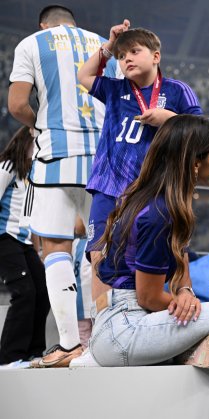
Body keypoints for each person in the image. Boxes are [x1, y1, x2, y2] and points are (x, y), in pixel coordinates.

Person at [90, 114, 209, 419]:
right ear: (194, 162)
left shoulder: (160, 200)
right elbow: (148, 298)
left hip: (119, 321)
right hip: (125, 328)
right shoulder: (159, 214)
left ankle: (190, 347)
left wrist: (186, 291)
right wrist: (190, 305)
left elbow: (180, 256)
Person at [8, 5, 118, 367]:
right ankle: (110, 340)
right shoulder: (104, 44)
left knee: (55, 247)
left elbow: (18, 103)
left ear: (44, 24)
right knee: (102, 249)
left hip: (56, 155)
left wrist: (40, 125)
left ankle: (69, 343)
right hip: (103, 160)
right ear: (73, 23)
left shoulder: (31, 43)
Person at [77, 21, 202, 306]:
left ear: (156, 56)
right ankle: (103, 327)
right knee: (100, 254)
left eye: (134, 51)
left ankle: (181, 308)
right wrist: (108, 47)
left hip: (155, 188)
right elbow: (83, 75)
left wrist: (168, 118)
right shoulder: (114, 89)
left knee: (173, 247)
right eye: (122, 57)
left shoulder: (178, 90)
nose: (126, 59)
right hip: (109, 185)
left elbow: (201, 130)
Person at [0, 127, 49, 368]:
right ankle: (9, 356)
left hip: (25, 241)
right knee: (25, 293)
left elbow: (33, 216)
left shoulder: (34, 174)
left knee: (43, 291)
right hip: (5, 238)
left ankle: (33, 351)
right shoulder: (8, 167)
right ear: (27, 143)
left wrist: (38, 250)